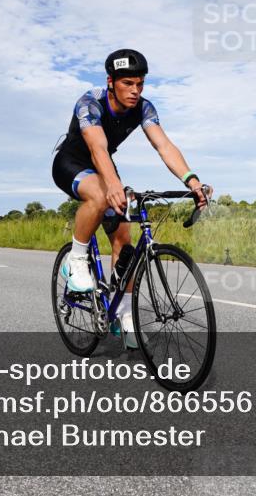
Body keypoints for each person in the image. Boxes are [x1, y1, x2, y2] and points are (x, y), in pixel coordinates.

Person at [52, 49, 209, 347]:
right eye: (128, 84)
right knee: (100, 196)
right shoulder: (90, 103)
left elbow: (163, 145)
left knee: (124, 237)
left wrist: (192, 179)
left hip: (105, 167)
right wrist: (112, 185)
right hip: (71, 163)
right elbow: (98, 148)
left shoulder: (143, 108)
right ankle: (75, 261)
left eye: (140, 84)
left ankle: (124, 314)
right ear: (111, 82)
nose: (135, 91)